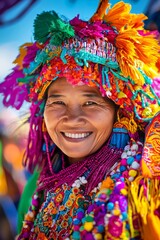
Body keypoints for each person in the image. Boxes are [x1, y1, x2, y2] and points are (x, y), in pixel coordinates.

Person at [0, 0, 160, 239]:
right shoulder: (39, 186)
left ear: (120, 112)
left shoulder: (146, 185)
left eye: (91, 102)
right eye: (57, 102)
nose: (72, 118)